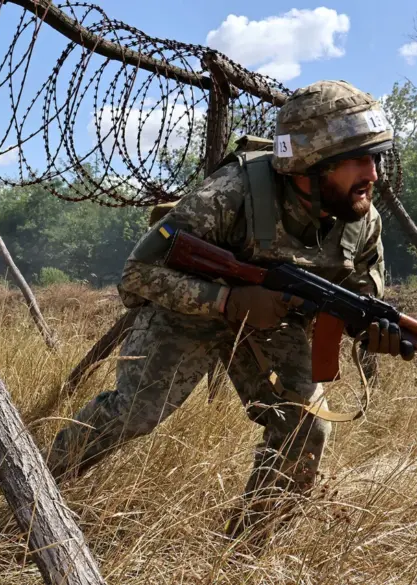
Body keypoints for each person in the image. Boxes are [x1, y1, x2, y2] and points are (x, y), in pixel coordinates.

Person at [46, 80, 416, 540]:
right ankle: (36, 488)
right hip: (190, 310)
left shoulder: (363, 221)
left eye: (377, 157)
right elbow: (137, 274)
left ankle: (245, 549)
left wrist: (370, 330)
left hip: (273, 319)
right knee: (136, 412)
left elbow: (358, 289)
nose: (374, 174)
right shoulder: (232, 192)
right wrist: (227, 300)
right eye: (359, 160)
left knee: (307, 429)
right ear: (312, 163)